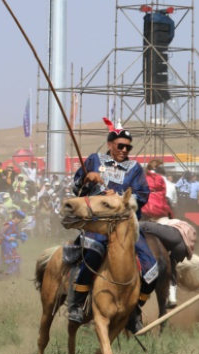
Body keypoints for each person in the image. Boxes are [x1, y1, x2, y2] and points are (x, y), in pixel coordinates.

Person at [67, 117, 156, 334]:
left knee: (152, 268)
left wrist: (118, 197)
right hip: (98, 221)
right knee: (95, 250)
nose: (124, 150)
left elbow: (142, 194)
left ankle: (134, 311)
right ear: (110, 145)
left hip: (125, 222)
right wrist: (87, 179)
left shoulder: (135, 169)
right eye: (120, 146)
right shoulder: (94, 160)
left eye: (128, 147)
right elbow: (75, 188)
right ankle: (77, 304)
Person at [0, 209, 27, 279]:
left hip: (11, 244)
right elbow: (1, 233)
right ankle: (7, 274)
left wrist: (21, 236)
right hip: (6, 245)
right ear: (16, 217)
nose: (20, 221)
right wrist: (8, 238)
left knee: (7, 259)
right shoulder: (9, 223)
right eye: (20, 219)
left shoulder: (16, 225)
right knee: (13, 259)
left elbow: (14, 235)